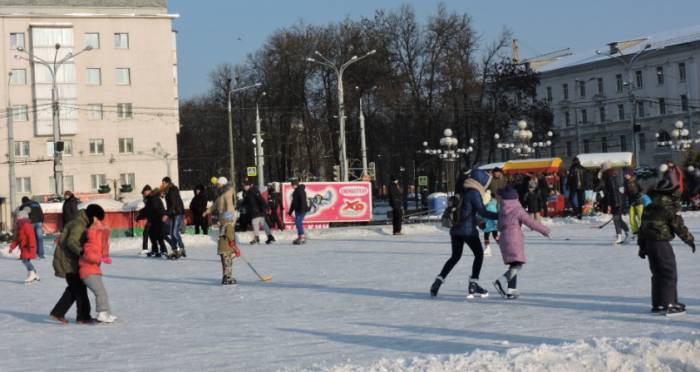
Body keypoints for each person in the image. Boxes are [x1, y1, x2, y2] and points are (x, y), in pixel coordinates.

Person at [430, 169, 498, 299]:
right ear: (480, 182)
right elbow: (483, 211)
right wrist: (499, 215)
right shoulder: (474, 193)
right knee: (479, 255)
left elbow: (467, 211)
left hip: (455, 230)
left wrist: (478, 221)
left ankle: (438, 281)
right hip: (468, 231)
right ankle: (473, 284)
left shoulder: (463, 190)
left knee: (455, 257)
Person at [637, 179, 695, 316]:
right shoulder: (669, 207)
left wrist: (642, 246)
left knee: (657, 274)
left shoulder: (649, 206)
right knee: (669, 273)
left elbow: (642, 228)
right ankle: (670, 304)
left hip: (650, 243)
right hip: (661, 243)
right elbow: (679, 227)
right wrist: (690, 240)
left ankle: (658, 304)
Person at [50, 204, 105, 324]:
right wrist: (83, 252)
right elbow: (71, 242)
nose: (96, 222)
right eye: (97, 219)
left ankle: (58, 313)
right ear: (93, 216)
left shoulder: (80, 222)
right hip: (68, 262)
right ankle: (83, 317)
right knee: (79, 289)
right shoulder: (79, 224)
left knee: (74, 289)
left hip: (70, 261)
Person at [492, 186, 551, 299]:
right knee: (518, 265)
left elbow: (499, 226)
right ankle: (502, 280)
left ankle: (511, 290)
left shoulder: (502, 210)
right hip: (514, 239)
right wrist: (545, 230)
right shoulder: (518, 209)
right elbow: (531, 222)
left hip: (504, 239)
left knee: (513, 264)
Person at [79, 225, 117, 323]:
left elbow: (104, 247)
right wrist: (100, 258)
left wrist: (104, 256)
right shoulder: (89, 245)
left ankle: (106, 313)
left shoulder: (97, 244)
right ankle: (102, 313)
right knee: (100, 292)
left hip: (94, 271)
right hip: (88, 272)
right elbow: (89, 256)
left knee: (102, 292)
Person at [601, 162, 630, 245]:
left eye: (602, 169)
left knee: (616, 218)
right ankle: (627, 232)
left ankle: (619, 236)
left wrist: (615, 202)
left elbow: (613, 191)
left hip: (616, 200)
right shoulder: (611, 176)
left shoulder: (610, 177)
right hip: (617, 200)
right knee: (618, 218)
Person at [137, 185, 169, 258]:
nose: (144, 194)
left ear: (149, 191)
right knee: (152, 235)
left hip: (158, 219)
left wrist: (163, 215)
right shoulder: (150, 198)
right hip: (153, 219)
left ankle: (164, 251)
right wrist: (140, 213)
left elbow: (155, 209)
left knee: (159, 235)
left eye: (144, 192)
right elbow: (147, 209)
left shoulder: (154, 198)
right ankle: (155, 250)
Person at [9, 209, 39, 284]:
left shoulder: (25, 224)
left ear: (22, 217)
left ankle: (32, 273)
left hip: (28, 246)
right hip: (24, 246)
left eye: (18, 216)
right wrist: (12, 247)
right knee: (26, 260)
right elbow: (17, 239)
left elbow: (31, 236)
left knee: (25, 260)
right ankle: (34, 274)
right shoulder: (20, 225)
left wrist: (31, 246)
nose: (16, 218)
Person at [161, 177, 186, 258]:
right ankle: (175, 250)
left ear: (167, 183)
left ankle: (182, 248)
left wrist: (166, 215)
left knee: (175, 233)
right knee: (172, 234)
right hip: (173, 214)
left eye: (163, 183)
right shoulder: (168, 190)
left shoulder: (172, 190)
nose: (163, 184)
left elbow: (173, 204)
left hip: (177, 213)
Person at [218, 211, 240, 285]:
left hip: (221, 248)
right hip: (226, 248)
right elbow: (230, 236)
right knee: (228, 263)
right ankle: (228, 278)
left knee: (225, 263)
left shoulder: (222, 225)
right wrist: (235, 248)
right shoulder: (229, 226)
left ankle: (225, 277)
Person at [289, 179, 308, 245]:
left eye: (292, 185)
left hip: (301, 210)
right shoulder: (295, 191)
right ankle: (300, 236)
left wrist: (302, 209)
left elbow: (303, 201)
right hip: (297, 210)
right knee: (297, 223)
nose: (292, 186)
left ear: (295, 184)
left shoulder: (300, 191)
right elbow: (293, 202)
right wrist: (290, 211)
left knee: (298, 222)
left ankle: (302, 236)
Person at [480, 193, 498, 257]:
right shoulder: (490, 205)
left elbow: (494, 215)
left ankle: (503, 246)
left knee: (493, 236)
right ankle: (488, 248)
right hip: (489, 224)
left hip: (490, 224)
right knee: (492, 236)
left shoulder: (490, 205)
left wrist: (496, 222)